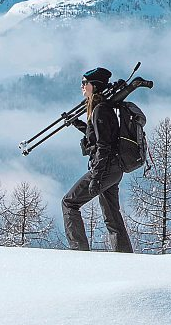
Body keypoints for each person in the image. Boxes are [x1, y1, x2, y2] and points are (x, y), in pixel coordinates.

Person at [61, 68, 133, 252]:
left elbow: (103, 146)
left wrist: (97, 177)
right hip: (115, 169)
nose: (82, 86)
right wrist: (77, 123)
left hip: (105, 168)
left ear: (94, 86)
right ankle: (124, 256)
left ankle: (79, 251)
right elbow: (98, 135)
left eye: (85, 83)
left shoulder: (100, 110)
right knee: (112, 216)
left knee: (69, 203)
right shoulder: (102, 109)